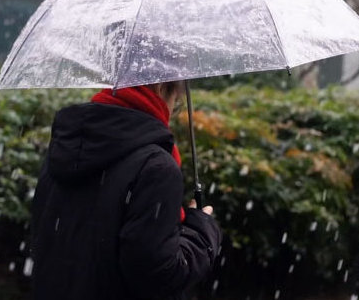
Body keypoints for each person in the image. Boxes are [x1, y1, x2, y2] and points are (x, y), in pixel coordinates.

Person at [30, 81, 222, 300]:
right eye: (176, 100)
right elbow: (158, 276)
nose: (173, 108)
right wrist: (201, 233)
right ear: (161, 87)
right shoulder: (156, 168)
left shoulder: (65, 149)